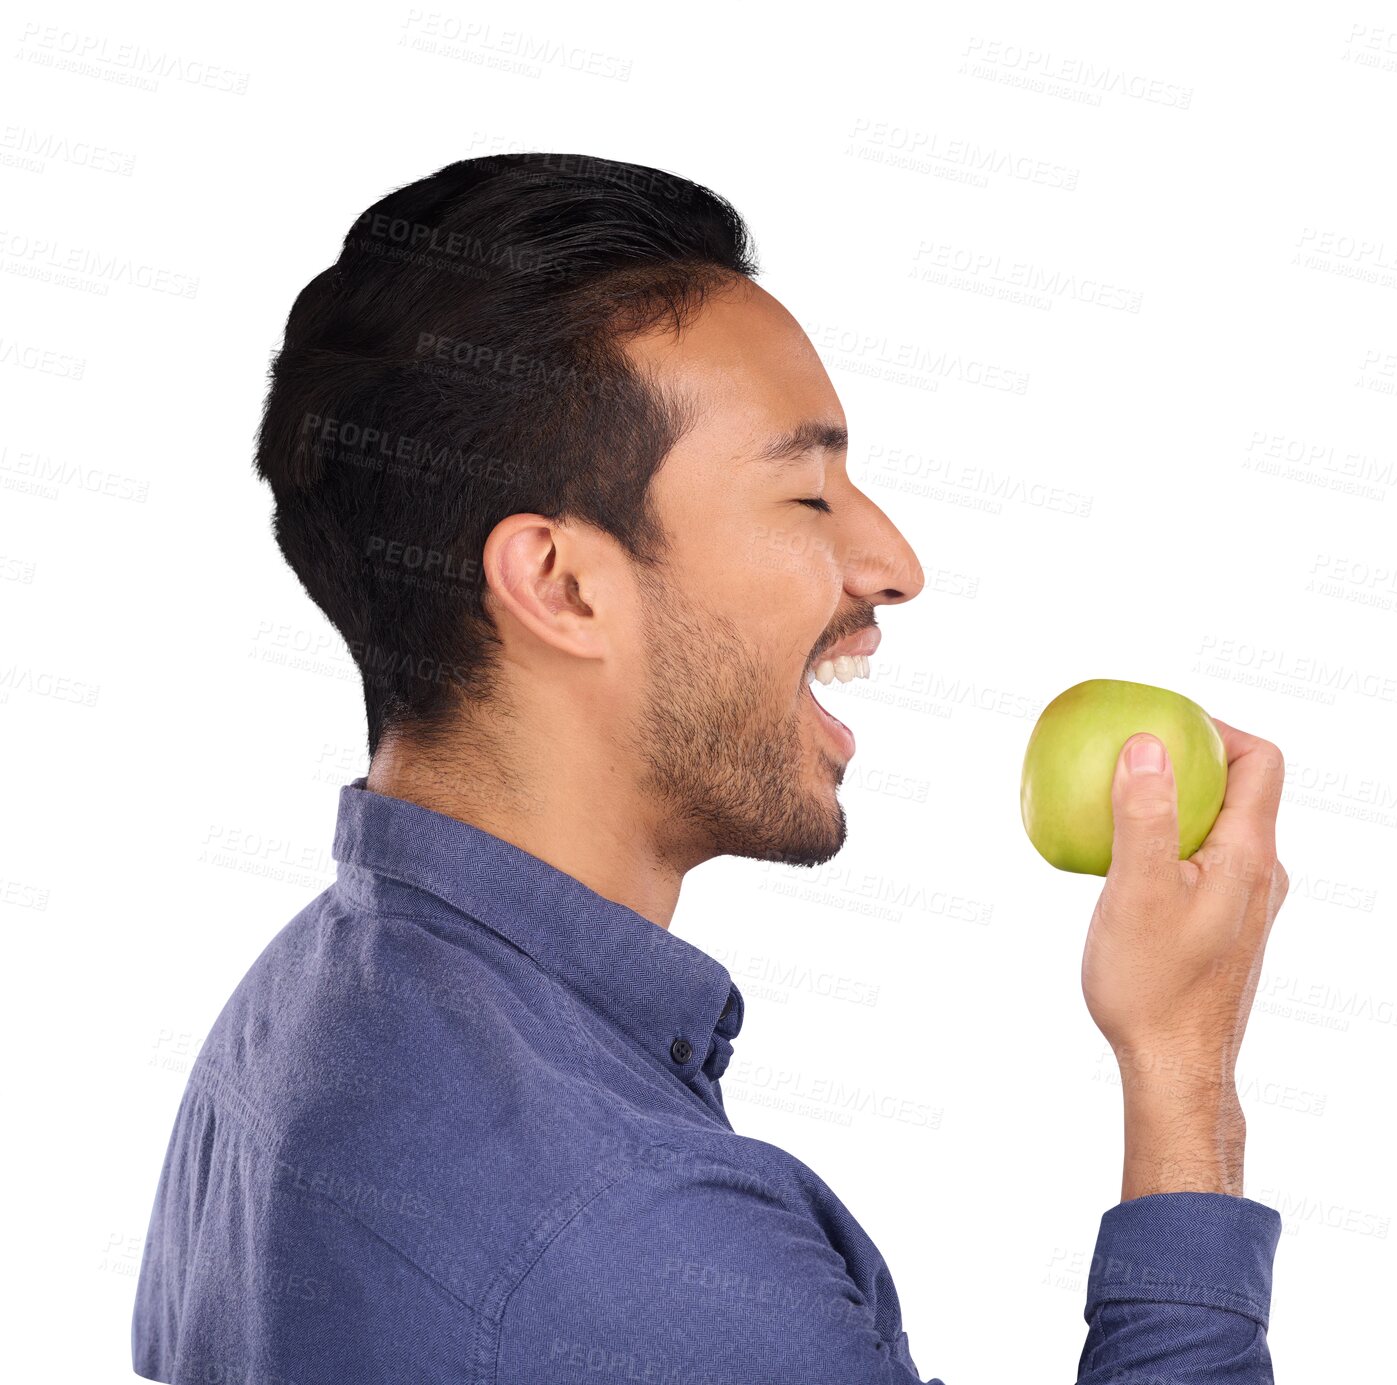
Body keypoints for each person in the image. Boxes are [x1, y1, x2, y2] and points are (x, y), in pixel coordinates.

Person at [132, 153, 1289, 1384]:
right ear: (563, 585)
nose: (893, 561)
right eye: (805, 494)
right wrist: (1181, 1076)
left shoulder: (293, 1010)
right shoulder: (629, 1227)